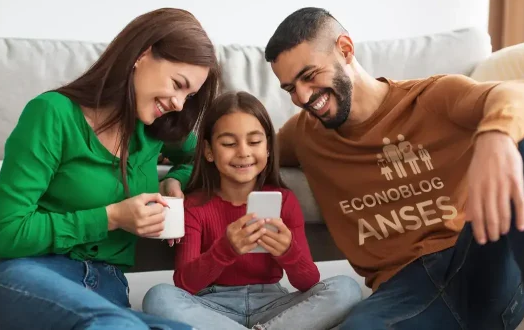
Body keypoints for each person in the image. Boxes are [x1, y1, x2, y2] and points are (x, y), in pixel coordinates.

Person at [264, 7, 524, 330]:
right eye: (290, 88)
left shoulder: (431, 98)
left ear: (346, 50)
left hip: (478, 264)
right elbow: (250, 153)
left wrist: (497, 135)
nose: (303, 96)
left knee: (520, 137)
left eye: (309, 76)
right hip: (402, 295)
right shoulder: (303, 134)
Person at [0, 8, 220, 330]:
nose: (179, 103)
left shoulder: (156, 130)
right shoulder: (53, 113)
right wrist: (112, 217)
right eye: (177, 84)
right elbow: (6, 234)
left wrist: (175, 180)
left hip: (107, 285)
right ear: (142, 54)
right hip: (31, 274)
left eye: (189, 96)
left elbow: (205, 157)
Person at [141, 91, 362, 330]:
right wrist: (225, 250)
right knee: (158, 297)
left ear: (268, 147)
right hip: (212, 306)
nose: (243, 152)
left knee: (346, 289)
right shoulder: (195, 206)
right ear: (208, 151)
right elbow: (184, 284)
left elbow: (308, 281)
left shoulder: (284, 200)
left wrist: (288, 251)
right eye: (228, 143)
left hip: (273, 303)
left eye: (254, 142)